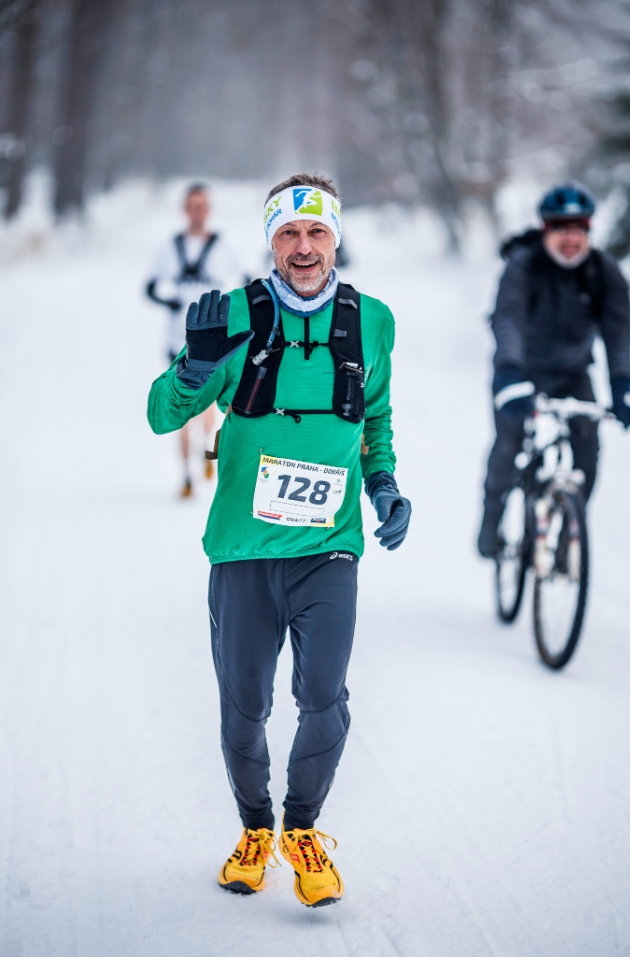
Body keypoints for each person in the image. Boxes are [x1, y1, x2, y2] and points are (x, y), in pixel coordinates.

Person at [147, 173, 411, 907]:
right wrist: (195, 368)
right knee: (244, 708)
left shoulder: (374, 320)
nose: (303, 248)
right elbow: (161, 416)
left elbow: (377, 417)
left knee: (324, 696)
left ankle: (301, 829)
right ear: (270, 240)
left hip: (329, 549)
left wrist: (383, 484)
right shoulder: (233, 314)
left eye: (316, 232)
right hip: (242, 551)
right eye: (288, 234)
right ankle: (254, 828)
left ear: (335, 238)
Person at [478, 182, 630, 558]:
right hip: (520, 373)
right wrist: (510, 374)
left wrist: (621, 384)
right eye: (562, 228)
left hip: (573, 374)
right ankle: (491, 526)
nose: (571, 238)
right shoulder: (523, 267)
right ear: (546, 230)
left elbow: (618, 330)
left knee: (588, 452)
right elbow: (509, 320)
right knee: (509, 445)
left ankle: (568, 528)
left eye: (579, 230)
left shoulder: (603, 271)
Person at [146, 183, 243, 497]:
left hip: (213, 344)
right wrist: (170, 303)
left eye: (203, 206)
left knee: (207, 412)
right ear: (185, 209)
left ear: (209, 210)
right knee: (181, 408)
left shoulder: (223, 246)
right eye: (193, 206)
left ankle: (206, 453)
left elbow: (246, 282)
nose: (198, 212)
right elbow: (150, 287)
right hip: (178, 343)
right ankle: (186, 475)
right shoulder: (170, 247)